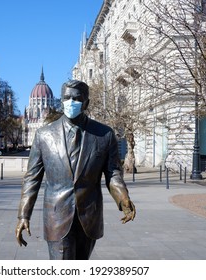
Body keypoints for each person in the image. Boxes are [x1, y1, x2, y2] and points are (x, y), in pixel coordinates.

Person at [15, 79, 136, 260]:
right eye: (66, 98)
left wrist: (123, 198)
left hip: (89, 217)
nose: (70, 103)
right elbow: (32, 178)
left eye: (76, 99)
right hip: (56, 216)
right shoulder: (44, 135)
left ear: (86, 103)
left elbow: (113, 173)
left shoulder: (104, 134)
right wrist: (24, 214)